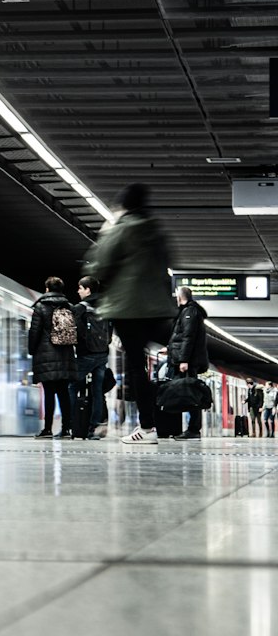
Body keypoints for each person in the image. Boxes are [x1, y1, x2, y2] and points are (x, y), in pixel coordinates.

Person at [84, 183, 173, 444]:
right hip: (156, 309)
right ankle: (149, 426)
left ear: (123, 205)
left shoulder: (122, 229)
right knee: (140, 367)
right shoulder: (157, 232)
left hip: (129, 308)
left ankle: (147, 428)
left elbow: (98, 266)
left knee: (136, 368)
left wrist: (106, 229)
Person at [28, 275, 78, 438]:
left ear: (47, 289)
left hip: (46, 354)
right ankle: (67, 428)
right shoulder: (69, 307)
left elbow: (34, 331)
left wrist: (32, 350)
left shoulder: (41, 307)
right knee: (63, 392)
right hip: (65, 354)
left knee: (49, 392)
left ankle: (47, 429)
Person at [166, 285, 209, 440]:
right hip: (183, 358)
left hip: (187, 362)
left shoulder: (189, 312)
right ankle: (188, 428)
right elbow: (181, 337)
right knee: (186, 393)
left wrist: (183, 359)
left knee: (191, 395)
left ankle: (193, 429)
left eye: (176, 295)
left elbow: (188, 336)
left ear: (180, 296)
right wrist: (170, 349)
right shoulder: (188, 311)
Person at [73, 275, 110, 440]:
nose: (78, 291)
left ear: (88, 290)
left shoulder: (80, 308)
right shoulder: (106, 307)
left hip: (85, 354)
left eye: (80, 288)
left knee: (72, 387)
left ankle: (72, 425)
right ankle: (93, 429)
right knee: (97, 392)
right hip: (102, 354)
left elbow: (76, 332)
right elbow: (110, 331)